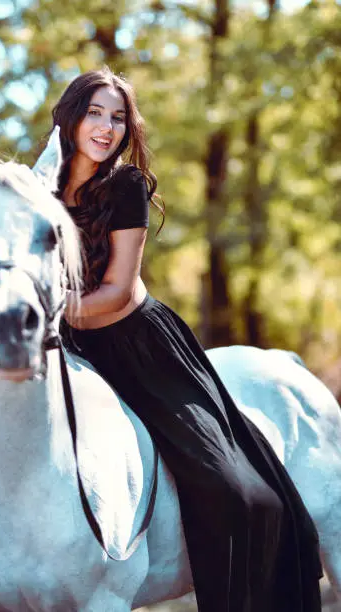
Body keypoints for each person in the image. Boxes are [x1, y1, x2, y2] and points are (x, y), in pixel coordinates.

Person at [53, 67, 322, 611]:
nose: (106, 128)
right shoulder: (41, 192)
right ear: (70, 117)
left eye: (118, 117)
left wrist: (50, 311)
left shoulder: (125, 186)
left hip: (139, 350)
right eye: (95, 113)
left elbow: (120, 293)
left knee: (231, 490)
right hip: (67, 351)